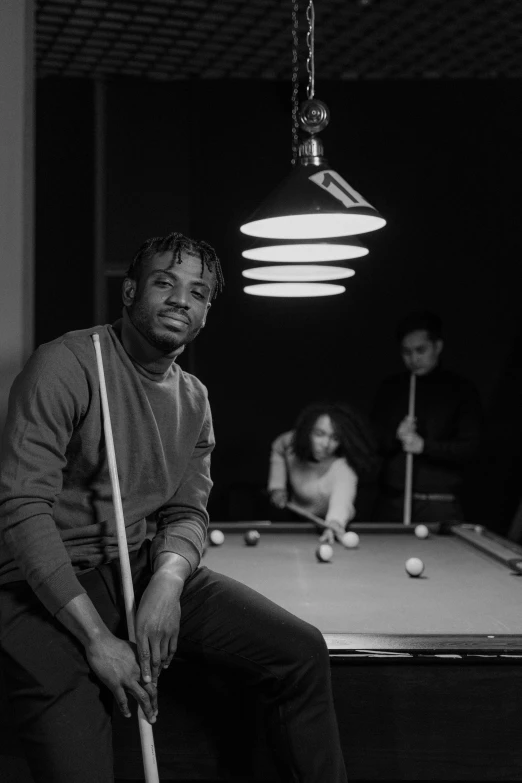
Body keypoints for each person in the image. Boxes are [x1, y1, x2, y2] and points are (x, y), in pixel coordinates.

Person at [0, 232, 347, 783]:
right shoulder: (65, 365)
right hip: (41, 584)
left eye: (199, 292)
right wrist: (97, 639)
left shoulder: (194, 398)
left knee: (301, 652)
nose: (181, 299)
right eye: (165, 282)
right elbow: (22, 511)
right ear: (131, 290)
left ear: (207, 313)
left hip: (138, 565)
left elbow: (188, 512)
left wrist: (167, 580)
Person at [372, 310, 482, 523]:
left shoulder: (461, 390)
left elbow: (471, 449)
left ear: (437, 347)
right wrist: (396, 436)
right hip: (393, 502)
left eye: (420, 350)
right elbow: (371, 442)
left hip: (439, 504)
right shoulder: (391, 388)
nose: (413, 359)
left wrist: (424, 446)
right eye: (406, 352)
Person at [268, 402, 378, 544]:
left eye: (335, 438)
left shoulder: (343, 469)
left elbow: (342, 500)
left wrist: (335, 522)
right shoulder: (292, 444)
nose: (326, 444)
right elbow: (278, 447)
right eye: (319, 434)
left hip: (326, 524)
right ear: (307, 432)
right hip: (295, 519)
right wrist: (277, 486)